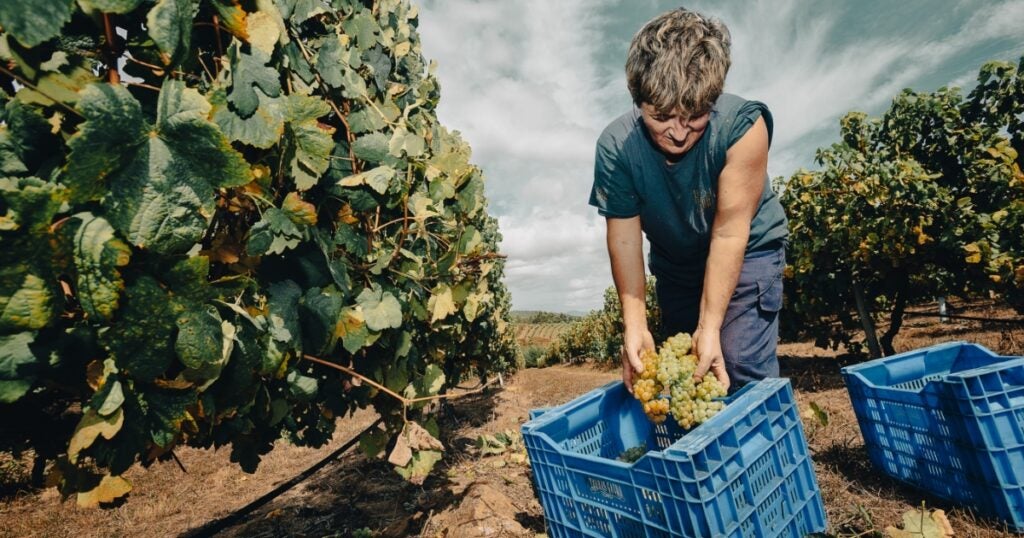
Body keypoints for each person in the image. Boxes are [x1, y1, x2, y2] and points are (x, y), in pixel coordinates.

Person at [589, 7, 788, 394]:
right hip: (677, 266)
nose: (679, 133)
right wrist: (635, 323)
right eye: (662, 116)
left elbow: (730, 233)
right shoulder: (616, 148)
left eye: (694, 115)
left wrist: (710, 325)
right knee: (688, 376)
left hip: (747, 251)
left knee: (738, 363)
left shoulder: (745, 128)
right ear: (638, 99)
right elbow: (626, 239)